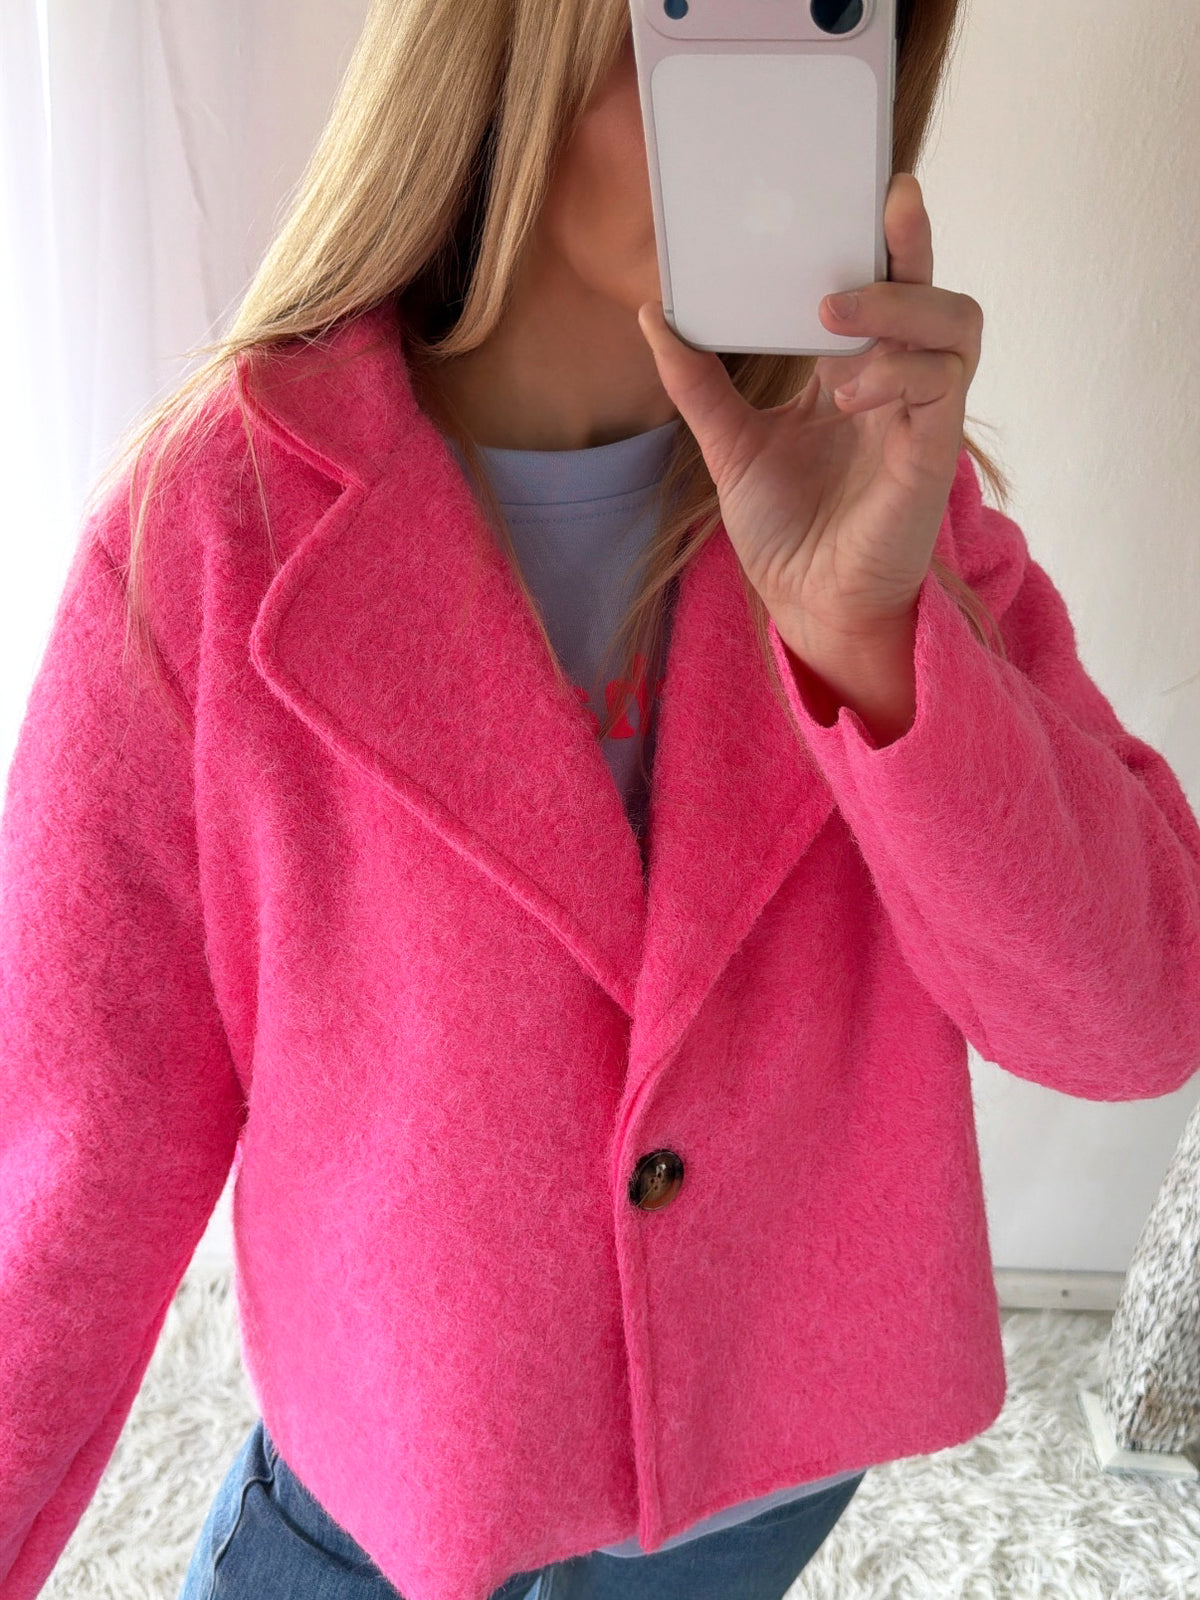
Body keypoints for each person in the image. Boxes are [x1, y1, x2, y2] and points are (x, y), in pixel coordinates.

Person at [3, 4, 1200, 1600]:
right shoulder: (211, 532)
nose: (775, 92)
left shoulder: (890, 497)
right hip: (399, 1469)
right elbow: (67, 1173)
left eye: (835, 17)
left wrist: (874, 647)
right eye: (701, 12)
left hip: (760, 1467)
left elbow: (1138, 1015)